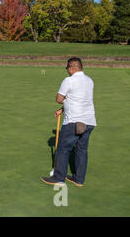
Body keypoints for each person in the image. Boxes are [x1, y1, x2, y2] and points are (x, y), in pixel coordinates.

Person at [41, 58, 96, 187]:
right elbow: (79, 100)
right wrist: (62, 109)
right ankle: (79, 179)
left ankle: (58, 178)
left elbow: (59, 98)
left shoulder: (69, 80)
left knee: (63, 149)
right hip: (89, 122)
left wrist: (63, 103)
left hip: (74, 121)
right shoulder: (89, 80)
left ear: (71, 68)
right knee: (82, 150)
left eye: (67, 69)